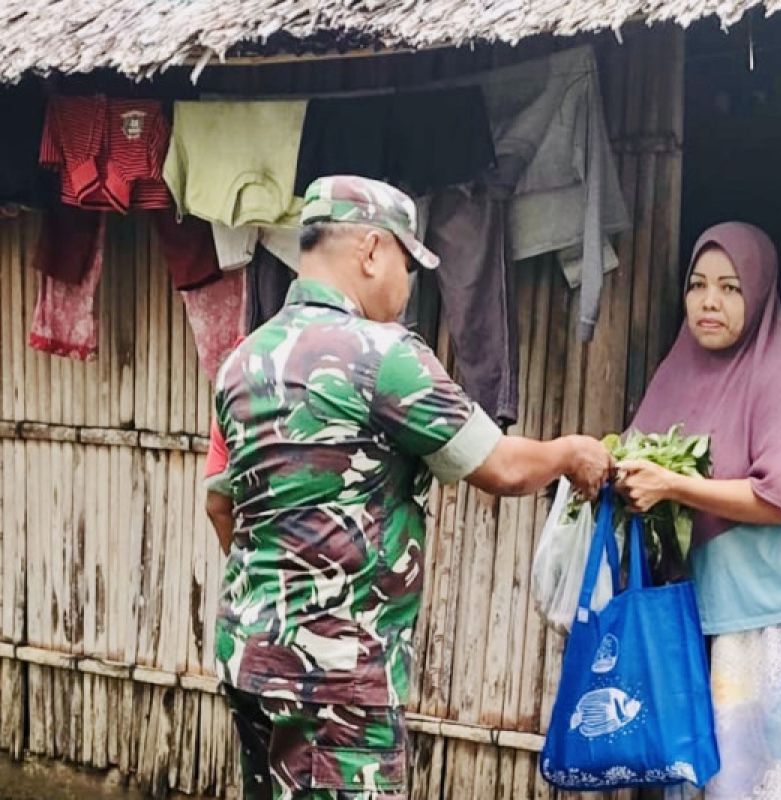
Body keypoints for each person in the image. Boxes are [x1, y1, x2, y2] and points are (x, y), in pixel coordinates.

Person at [207, 175, 612, 800]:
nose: (407, 285)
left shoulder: (245, 359)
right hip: (337, 678)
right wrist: (570, 453)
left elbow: (220, 501)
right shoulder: (381, 353)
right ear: (371, 250)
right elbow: (500, 466)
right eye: (406, 262)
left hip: (248, 658)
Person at [616, 222, 781, 799]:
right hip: (698, 616)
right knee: (699, 782)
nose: (709, 301)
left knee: (764, 786)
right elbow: (641, 461)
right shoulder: (677, 373)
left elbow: (773, 501)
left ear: (760, 294)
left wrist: (672, 485)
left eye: (731, 287)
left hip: (771, 622)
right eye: (697, 285)